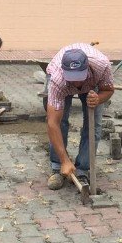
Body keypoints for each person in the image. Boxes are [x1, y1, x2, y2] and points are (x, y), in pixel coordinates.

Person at [45, 43, 114, 191]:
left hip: (92, 84)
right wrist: (65, 160)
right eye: (72, 78)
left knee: (93, 125)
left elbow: (108, 89)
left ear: (87, 68)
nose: (76, 83)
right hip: (62, 85)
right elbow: (52, 123)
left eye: (79, 77)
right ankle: (58, 167)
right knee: (61, 121)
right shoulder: (57, 79)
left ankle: (82, 169)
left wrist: (99, 98)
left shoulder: (102, 66)